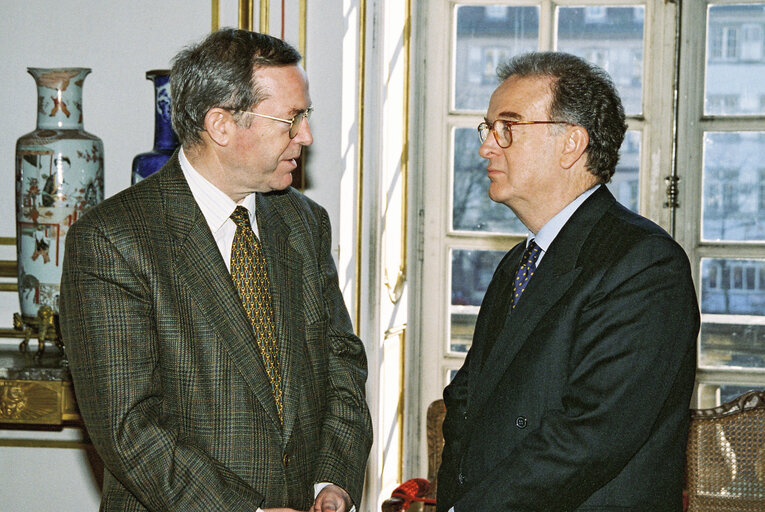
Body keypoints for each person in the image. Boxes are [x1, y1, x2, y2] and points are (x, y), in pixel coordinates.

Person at [60, 28, 372, 512]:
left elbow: (342, 364)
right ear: (221, 125)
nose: (306, 136)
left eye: (305, 116)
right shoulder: (114, 241)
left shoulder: (304, 223)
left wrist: (331, 480)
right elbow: (128, 427)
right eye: (291, 119)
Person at [436, 52, 699, 511]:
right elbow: (468, 403)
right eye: (489, 129)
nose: (487, 147)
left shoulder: (645, 265)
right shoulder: (519, 263)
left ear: (571, 144)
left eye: (508, 128)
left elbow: (588, 437)